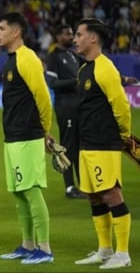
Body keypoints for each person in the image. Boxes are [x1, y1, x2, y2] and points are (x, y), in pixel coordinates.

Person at [72, 18, 133, 269]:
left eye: (79, 34)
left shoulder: (104, 67)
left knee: (111, 193)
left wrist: (124, 133)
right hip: (87, 142)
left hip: (104, 142)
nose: (75, 39)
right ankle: (105, 249)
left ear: (93, 38)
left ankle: (123, 254)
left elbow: (121, 105)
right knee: (94, 196)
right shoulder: (84, 68)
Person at [0, 12, 54, 264]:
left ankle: (45, 249)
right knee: (19, 193)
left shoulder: (27, 58)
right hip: (13, 136)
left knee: (30, 190)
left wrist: (45, 130)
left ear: (15, 32)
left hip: (28, 135)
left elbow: (43, 96)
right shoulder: (11, 60)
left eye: (1, 28)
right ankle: (27, 244)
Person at [45, 24, 85, 199]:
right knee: (68, 145)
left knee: (78, 146)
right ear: (58, 37)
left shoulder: (73, 56)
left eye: (72, 34)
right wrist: (74, 81)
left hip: (78, 106)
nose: (71, 37)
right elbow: (52, 84)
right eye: (67, 34)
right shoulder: (54, 57)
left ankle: (82, 185)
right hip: (65, 106)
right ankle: (69, 187)